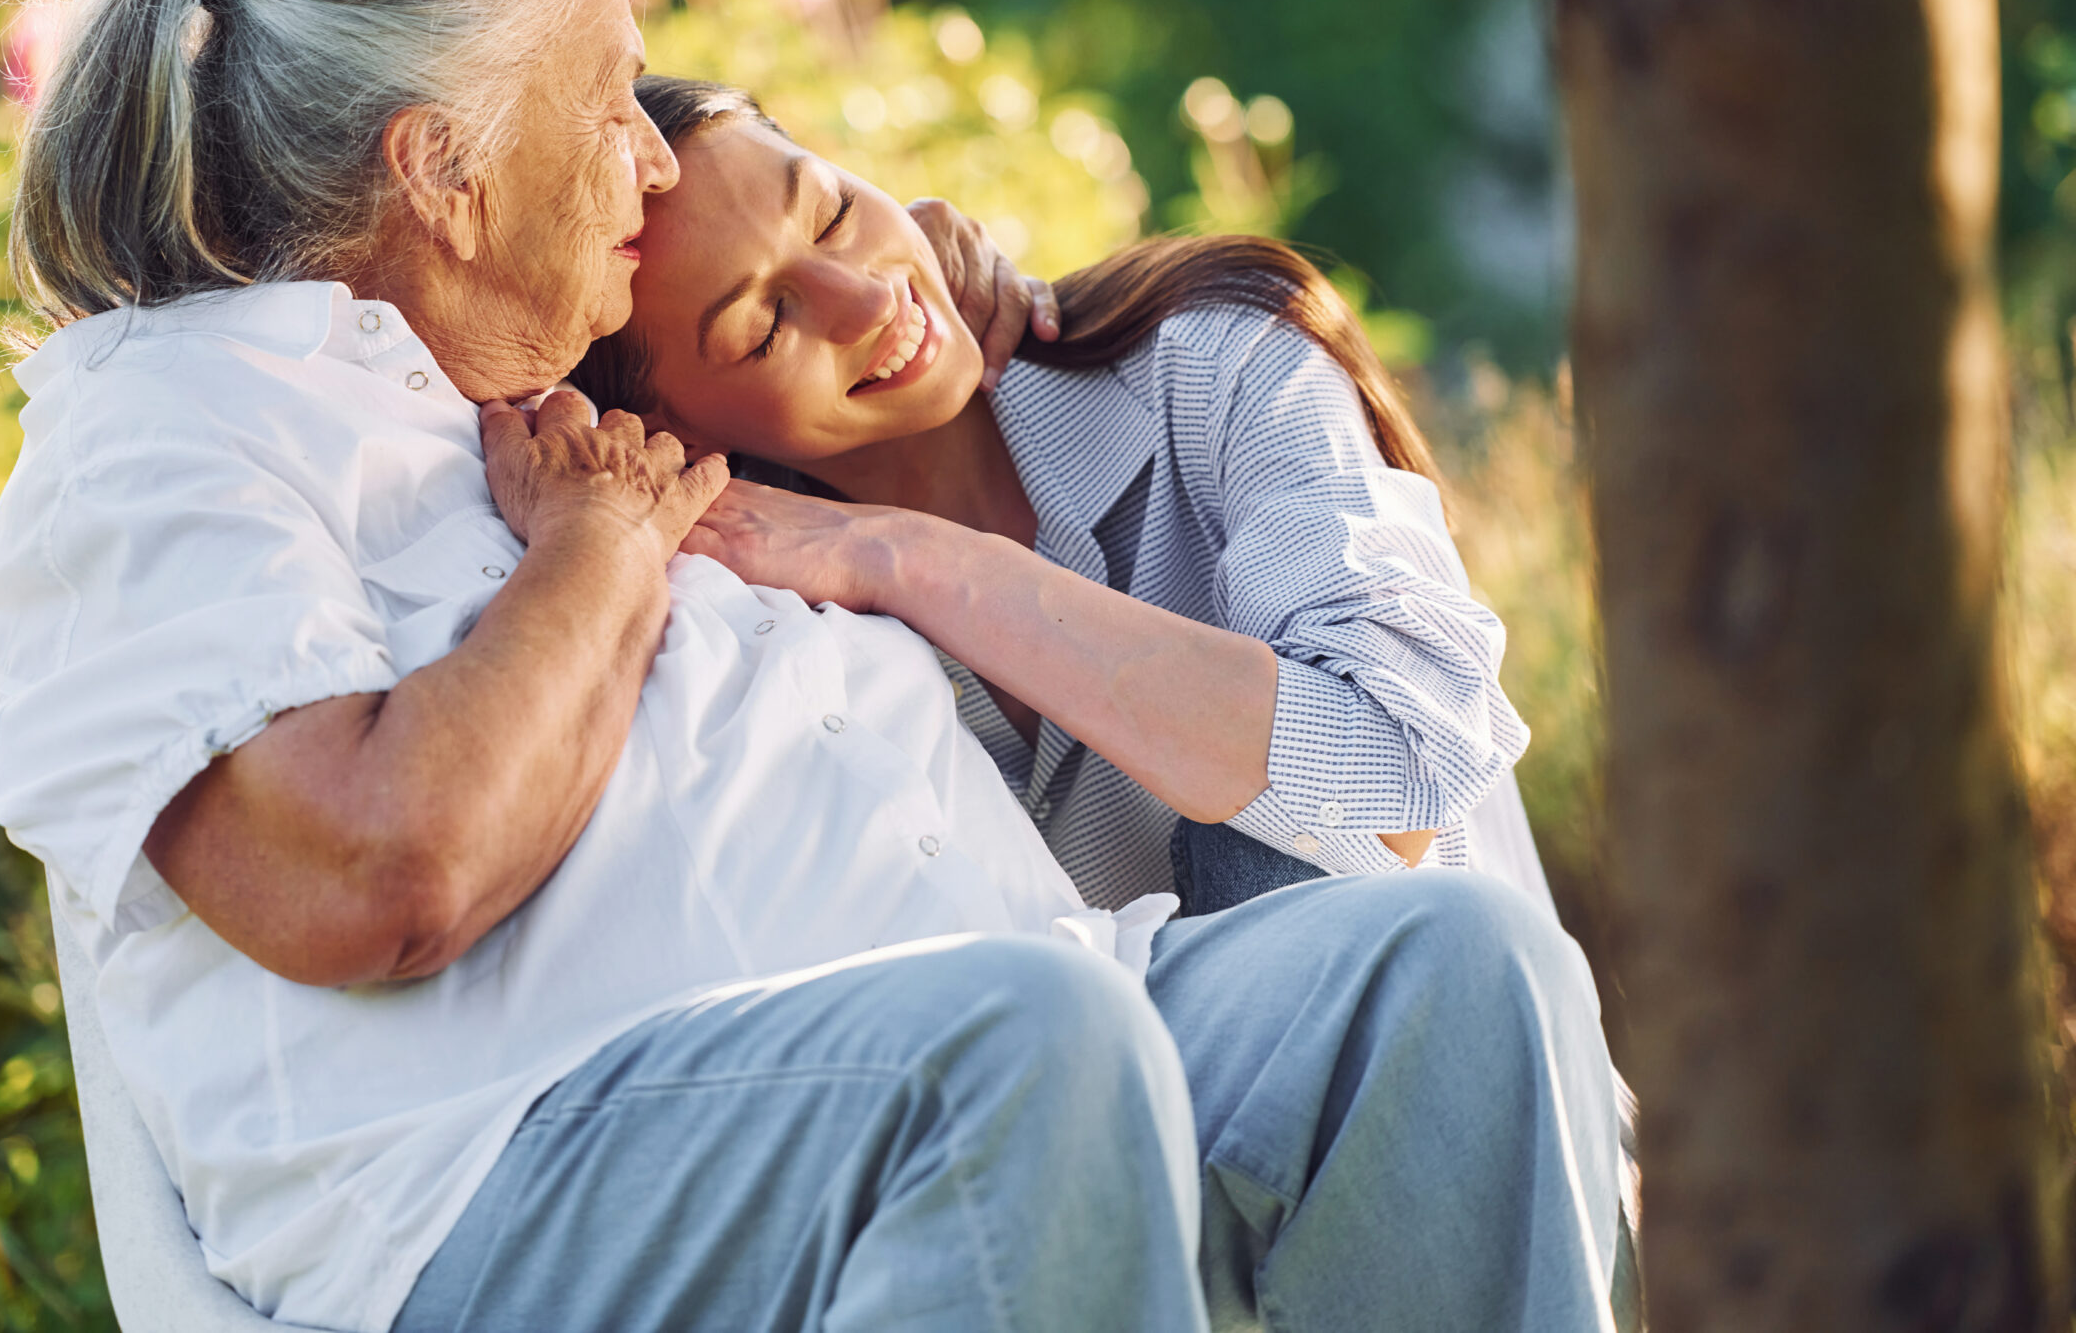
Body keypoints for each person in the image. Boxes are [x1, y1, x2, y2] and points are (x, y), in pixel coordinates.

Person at [0, 0, 1623, 1333]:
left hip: (998, 1043)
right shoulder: (176, 427)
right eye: (607, 102)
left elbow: (825, 358)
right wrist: (605, 554)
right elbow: (376, 872)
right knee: (1022, 1050)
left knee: (1448, 971)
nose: (645, 158)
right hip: (509, 1176)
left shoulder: (539, 410)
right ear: (442, 174)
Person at [570, 78, 1556, 918]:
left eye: (831, 211)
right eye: (764, 327)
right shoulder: (745, 625)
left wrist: (919, 561)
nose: (866, 300)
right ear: (679, 432)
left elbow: (1407, 763)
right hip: (1141, 1125)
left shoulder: (1214, 360)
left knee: (1277, 871)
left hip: (1453, 1077)